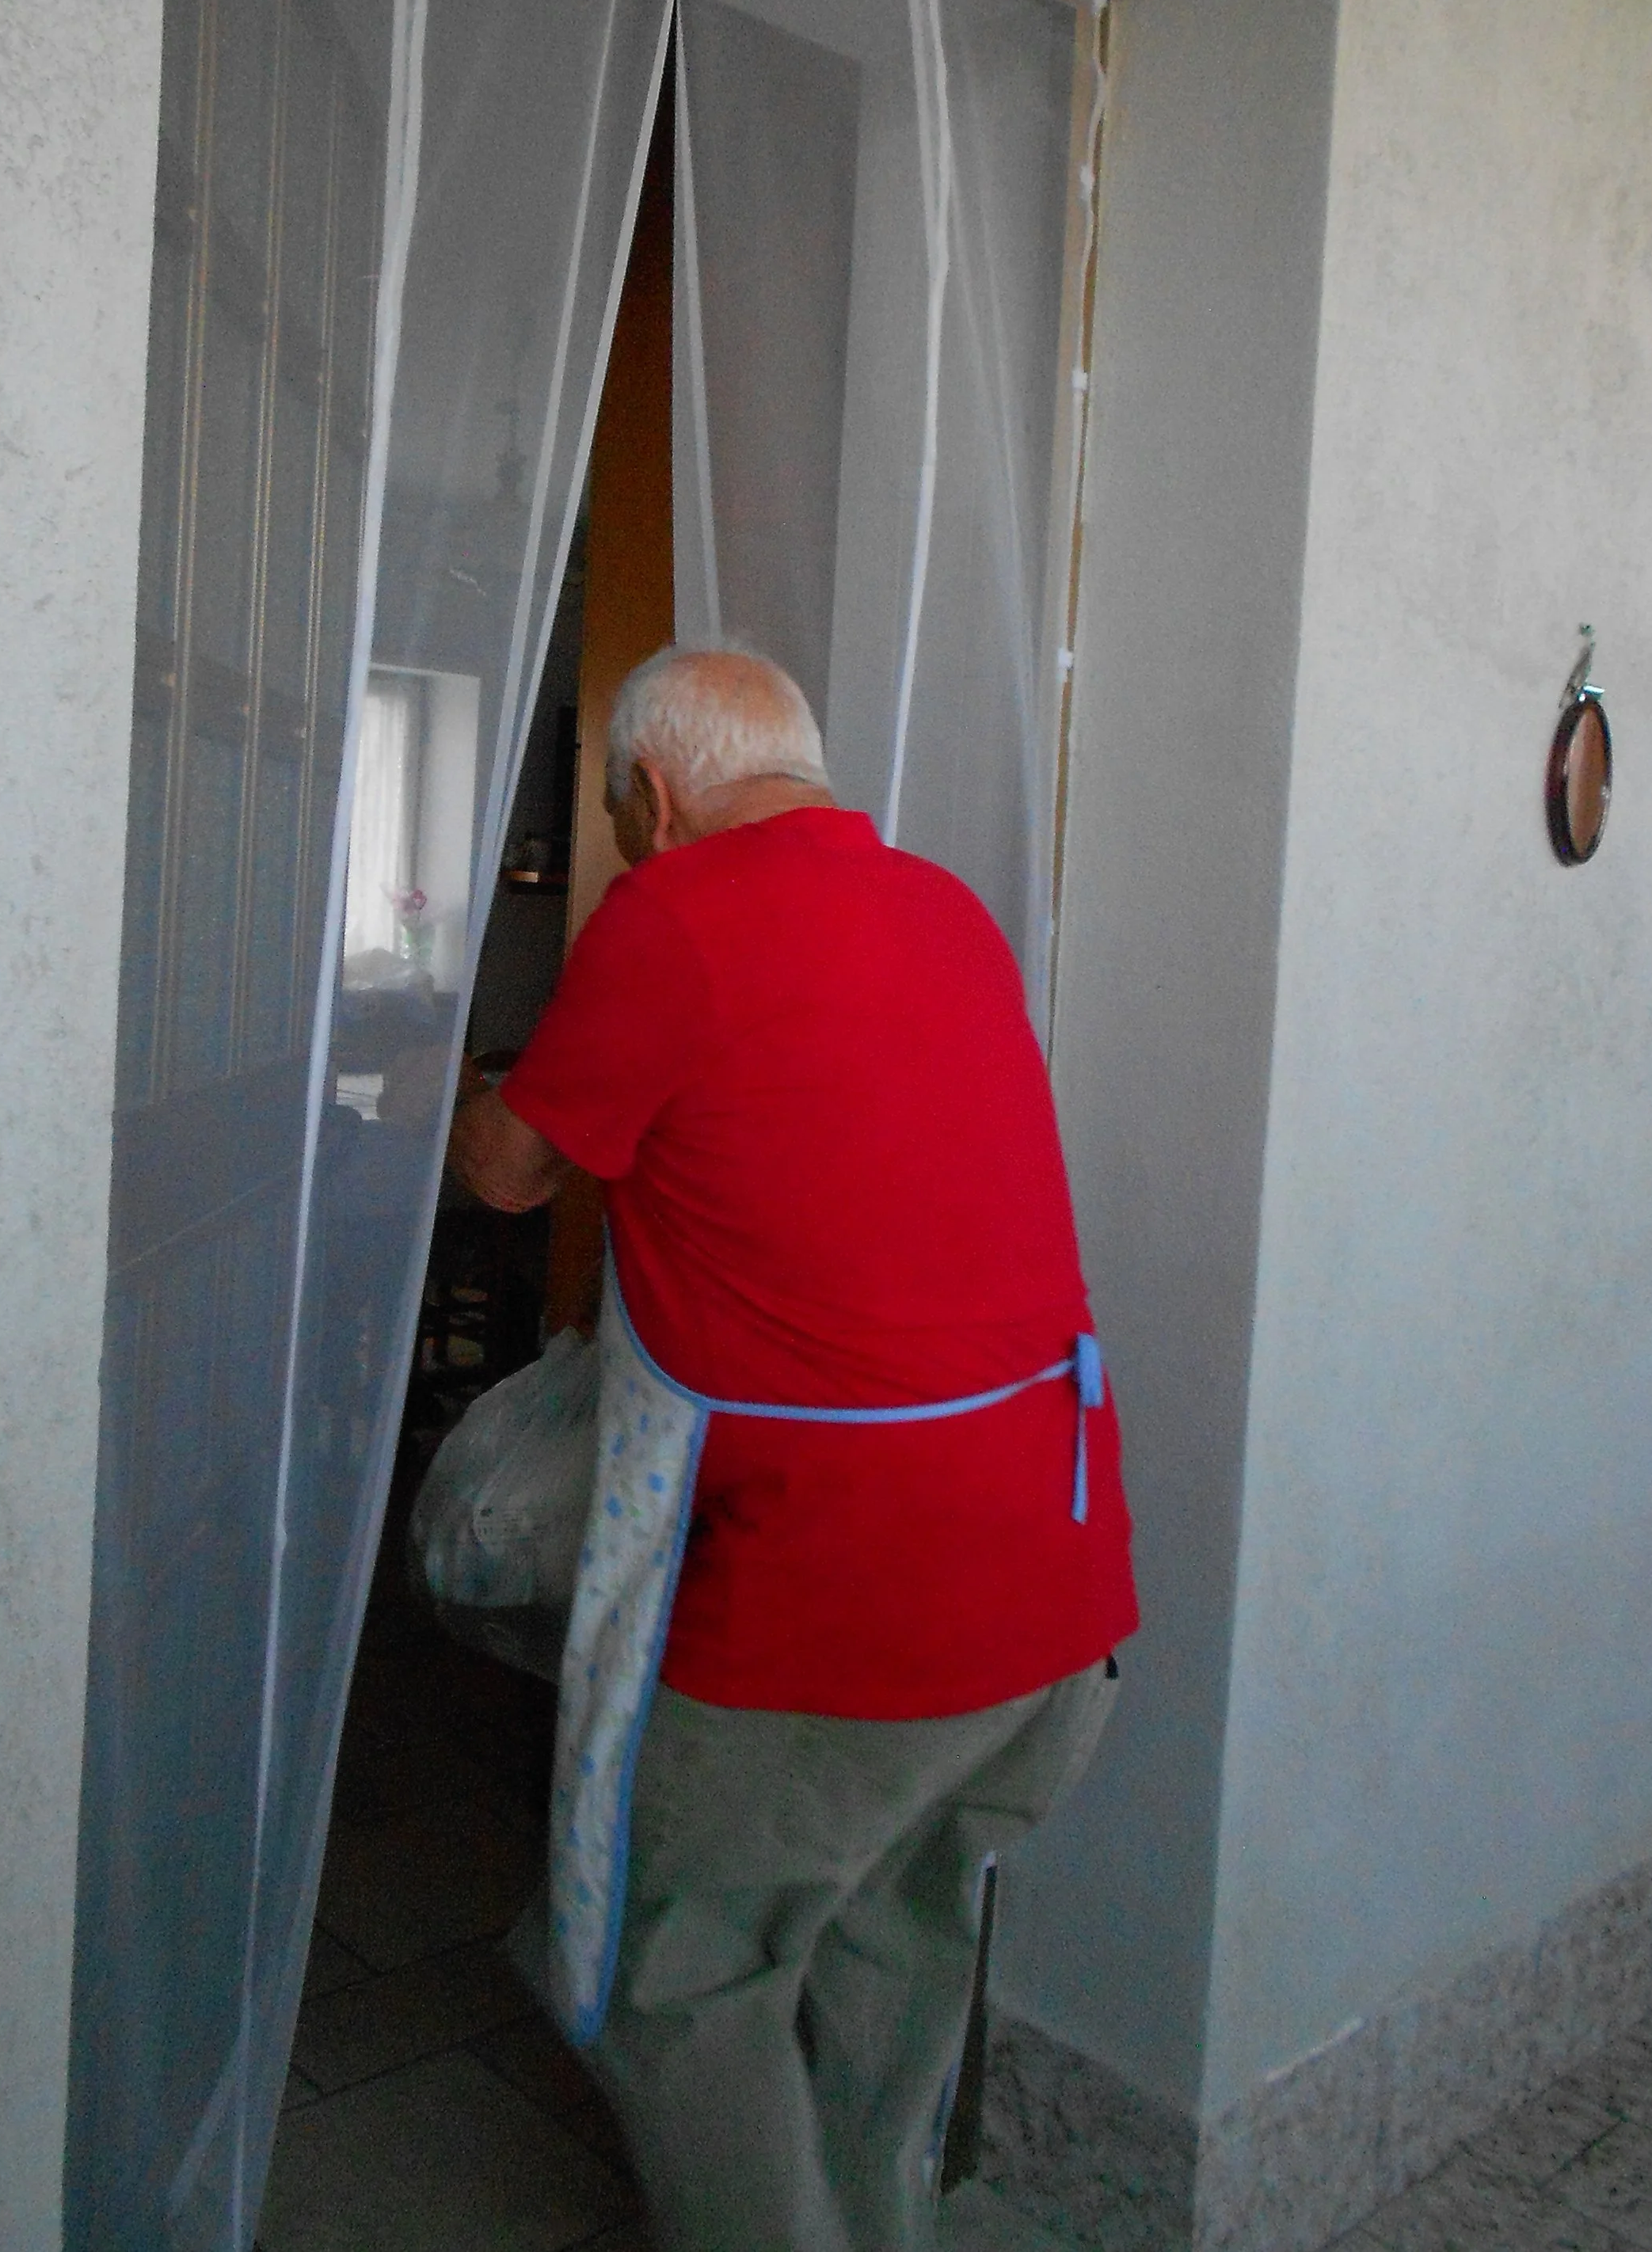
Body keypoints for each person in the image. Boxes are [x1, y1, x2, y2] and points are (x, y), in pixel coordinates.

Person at [449, 645, 1136, 2252]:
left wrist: (472, 1083)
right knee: (893, 1945)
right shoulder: (947, 909)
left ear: (653, 793)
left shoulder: (672, 915)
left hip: (844, 1611)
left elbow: (506, 1172)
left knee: (668, 1989)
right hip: (1055, 1594)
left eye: (621, 813)